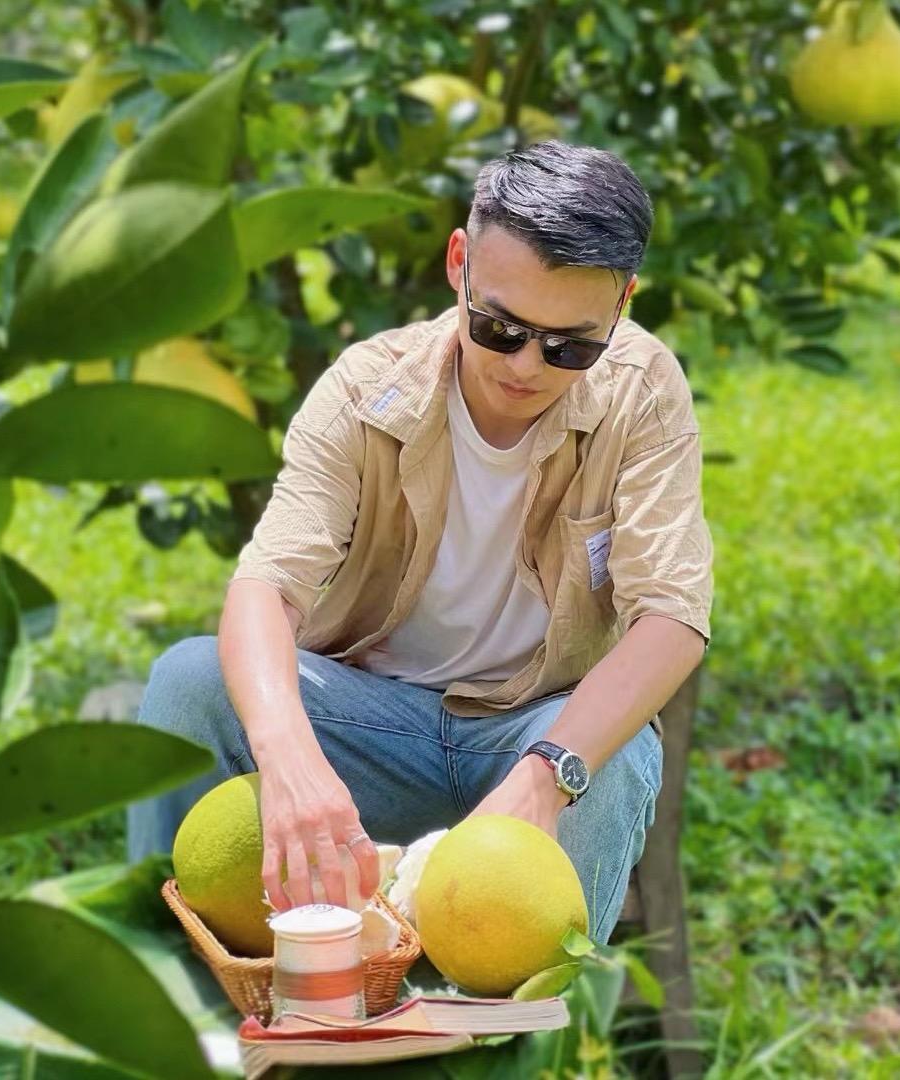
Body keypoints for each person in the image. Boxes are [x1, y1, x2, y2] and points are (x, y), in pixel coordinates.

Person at [127, 139, 713, 946]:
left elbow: (672, 616)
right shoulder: (366, 389)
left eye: (570, 345)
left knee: (608, 766)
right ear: (459, 263)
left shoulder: (643, 392)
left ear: (624, 304)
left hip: (529, 729)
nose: (528, 366)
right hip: (371, 729)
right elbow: (267, 587)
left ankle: (522, 1051)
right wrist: (295, 766)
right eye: (499, 326)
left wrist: (547, 774)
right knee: (189, 681)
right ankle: (178, 1014)